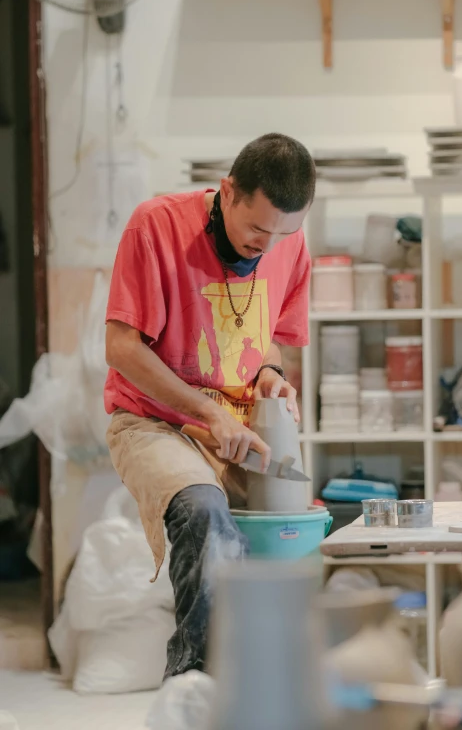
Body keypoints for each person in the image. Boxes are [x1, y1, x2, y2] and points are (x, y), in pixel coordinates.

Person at [104, 132, 315, 678]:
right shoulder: (155, 227)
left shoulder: (289, 243)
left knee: (296, 528)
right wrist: (208, 411)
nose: (268, 246)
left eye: (284, 234)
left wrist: (269, 373)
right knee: (205, 514)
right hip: (154, 420)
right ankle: (197, 689)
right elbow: (122, 348)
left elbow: (265, 334)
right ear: (227, 193)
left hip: (237, 428)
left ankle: (265, 686)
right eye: (257, 229)